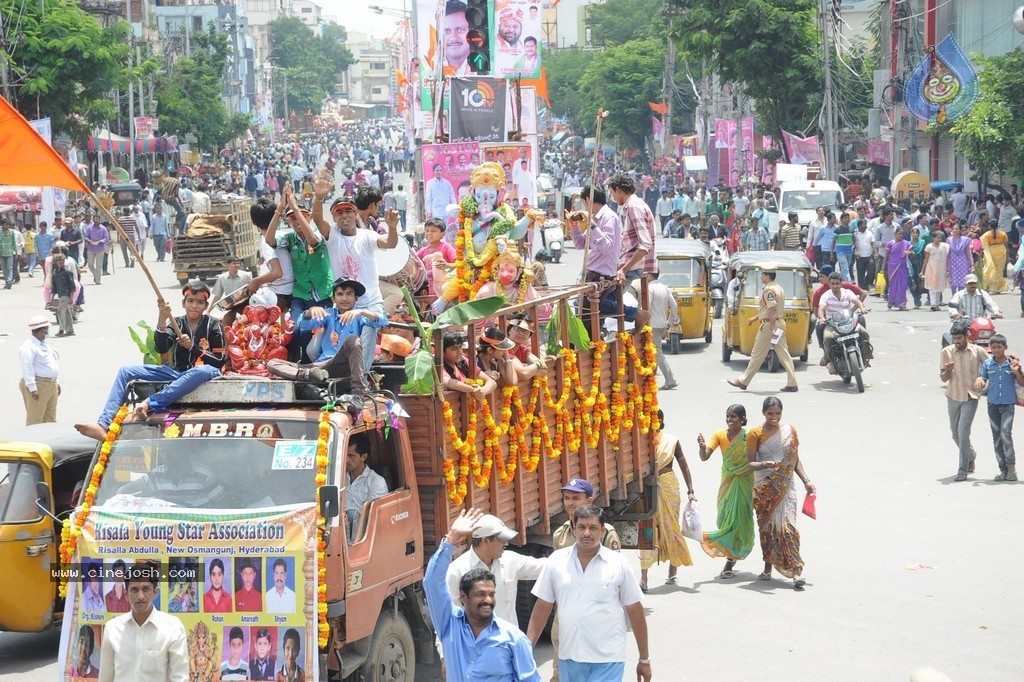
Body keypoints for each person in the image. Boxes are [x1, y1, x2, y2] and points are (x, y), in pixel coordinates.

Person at [75, 282, 225, 441]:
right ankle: (103, 425)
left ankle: (150, 402)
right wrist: (162, 317)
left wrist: (193, 347)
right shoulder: (177, 323)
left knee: (201, 371)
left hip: (206, 374)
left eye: (200, 302)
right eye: (191, 301)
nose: (194, 305)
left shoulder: (213, 325)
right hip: (178, 374)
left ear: (205, 305)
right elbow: (161, 347)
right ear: (183, 303)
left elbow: (219, 361)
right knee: (126, 371)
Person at [528, 504, 652, 682]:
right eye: (581, 527)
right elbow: (542, 607)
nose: (587, 533)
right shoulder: (556, 561)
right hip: (569, 657)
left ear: (602, 531)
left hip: (608, 659)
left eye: (593, 528)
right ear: (573, 529)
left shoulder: (618, 564)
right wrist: (526, 649)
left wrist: (644, 659)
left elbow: (635, 610)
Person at [425, 508, 542, 682]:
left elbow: (546, 567)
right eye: (480, 594)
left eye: (491, 594)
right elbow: (433, 585)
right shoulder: (454, 631)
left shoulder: (513, 639)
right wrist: (452, 538)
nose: (488, 600)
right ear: (464, 597)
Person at [313, 173, 400, 370]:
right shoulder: (333, 235)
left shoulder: (367, 236)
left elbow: (391, 243)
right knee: (317, 346)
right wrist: (319, 198)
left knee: (368, 331)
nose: (344, 216)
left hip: (370, 303)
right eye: (339, 213)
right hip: (344, 304)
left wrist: (392, 228)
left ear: (354, 214)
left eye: (348, 212)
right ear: (335, 217)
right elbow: (318, 220)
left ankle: (361, 378)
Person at [747, 397, 815, 588]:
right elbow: (750, 463)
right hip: (764, 488)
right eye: (770, 414)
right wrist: (765, 464)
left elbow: (794, 459)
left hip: (786, 486)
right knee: (768, 529)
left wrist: (806, 481)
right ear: (764, 414)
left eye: (777, 413)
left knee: (788, 528)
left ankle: (796, 571)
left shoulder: (790, 431)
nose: (774, 417)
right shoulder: (755, 433)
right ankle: (768, 565)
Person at [98, 563, 188, 682]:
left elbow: (180, 678)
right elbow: (105, 678)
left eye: (146, 589)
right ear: (126, 594)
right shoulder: (113, 629)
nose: (140, 596)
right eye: (134, 590)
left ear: (155, 592)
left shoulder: (173, 628)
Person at [698, 404, 755, 579]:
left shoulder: (749, 436)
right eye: (728, 416)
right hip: (728, 481)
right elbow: (705, 456)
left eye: (733, 417)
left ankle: (730, 558)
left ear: (742, 419)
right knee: (724, 518)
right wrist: (701, 447)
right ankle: (730, 551)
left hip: (745, 482)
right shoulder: (719, 435)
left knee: (739, 519)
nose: (730, 420)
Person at [638, 411, 694, 590]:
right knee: (646, 531)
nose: (655, 422)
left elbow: (683, 465)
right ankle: (644, 578)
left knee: (671, 527)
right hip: (647, 488)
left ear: (662, 421)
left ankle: (673, 569)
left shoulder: (672, 441)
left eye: (658, 419)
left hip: (669, 486)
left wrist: (690, 490)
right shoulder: (640, 440)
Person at [728, 268, 798, 392]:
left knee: (757, 354)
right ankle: (792, 382)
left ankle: (743, 380)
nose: (761, 277)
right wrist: (756, 318)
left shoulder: (769, 290)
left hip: (769, 326)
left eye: (762, 274)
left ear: (767, 276)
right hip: (779, 323)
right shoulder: (778, 288)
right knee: (784, 354)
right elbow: (769, 310)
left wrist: (771, 329)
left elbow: (772, 310)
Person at [975, 334, 1023, 482]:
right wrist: (980, 381)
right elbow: (983, 378)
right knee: (996, 438)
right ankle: (1002, 470)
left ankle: (1011, 469)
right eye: (994, 347)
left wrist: (1016, 371)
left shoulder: (1013, 364)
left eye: (999, 347)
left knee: (1005, 435)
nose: (996, 350)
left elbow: (1022, 383)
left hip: (1008, 405)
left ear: (1005, 348)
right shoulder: (988, 364)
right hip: (993, 405)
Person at [246, 198, 294, 312]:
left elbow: (277, 272)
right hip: (293, 289)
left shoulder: (266, 242)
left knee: (232, 317)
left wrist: (256, 281)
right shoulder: (284, 235)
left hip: (282, 293)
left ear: (253, 222)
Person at [818, 271, 873, 372]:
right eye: (832, 284)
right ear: (829, 284)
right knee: (828, 338)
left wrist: (862, 308)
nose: (835, 286)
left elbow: (856, 301)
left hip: (849, 322)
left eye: (837, 284)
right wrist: (821, 317)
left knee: (863, 333)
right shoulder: (825, 295)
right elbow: (821, 308)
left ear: (841, 283)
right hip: (832, 325)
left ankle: (865, 357)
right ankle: (831, 362)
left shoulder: (847, 292)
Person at [608, 172, 655, 285]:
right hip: (630, 266)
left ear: (619, 190)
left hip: (632, 268)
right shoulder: (633, 205)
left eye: (612, 192)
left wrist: (624, 269)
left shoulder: (634, 207)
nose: (612, 197)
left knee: (596, 299)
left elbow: (646, 244)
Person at [344, 434, 388, 542]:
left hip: (363, 539)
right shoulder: (340, 478)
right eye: (345, 455)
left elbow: (376, 519)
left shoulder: (376, 482)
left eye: (352, 456)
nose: (347, 460)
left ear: (363, 457)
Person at [19, 315, 60, 425]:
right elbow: (27, 368)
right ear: (42, 331)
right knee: (35, 420)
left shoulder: (44, 344)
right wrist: (33, 388)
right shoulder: (28, 347)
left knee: (50, 419)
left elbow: (50, 364)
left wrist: (56, 382)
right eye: (47, 329)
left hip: (51, 385)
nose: (48, 332)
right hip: (39, 385)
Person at [441, 332, 499, 396]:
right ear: (442, 351)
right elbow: (448, 382)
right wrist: (472, 390)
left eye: (460, 347)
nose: (459, 352)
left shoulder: (464, 360)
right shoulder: (439, 365)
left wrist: (482, 391)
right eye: (453, 349)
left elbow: (492, 383)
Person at [647, 271, 678, 390]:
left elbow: (647, 307)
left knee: (657, 352)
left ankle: (670, 379)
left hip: (653, 325)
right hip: (662, 324)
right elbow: (674, 306)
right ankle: (650, 379)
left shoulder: (650, 288)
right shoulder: (664, 288)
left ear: (649, 276)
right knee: (653, 352)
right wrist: (669, 322)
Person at [417, 218, 457, 298]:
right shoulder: (422, 251)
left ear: (442, 234)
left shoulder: (446, 247)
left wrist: (447, 265)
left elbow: (458, 264)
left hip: (446, 287)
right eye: (427, 231)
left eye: (433, 231)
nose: (429, 233)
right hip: (431, 291)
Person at [49, 251, 80, 337]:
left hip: (66, 294)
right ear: (56, 261)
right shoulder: (55, 272)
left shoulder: (67, 272)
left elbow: (72, 285)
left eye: (62, 260)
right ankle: (70, 330)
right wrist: (52, 297)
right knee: (66, 312)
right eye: (59, 260)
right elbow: (54, 286)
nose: (60, 262)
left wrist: (71, 297)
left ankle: (61, 330)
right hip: (60, 294)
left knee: (60, 311)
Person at [883, 227, 912, 310]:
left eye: (902, 234)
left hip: (902, 267)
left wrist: (908, 252)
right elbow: (886, 256)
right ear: (895, 234)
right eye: (899, 234)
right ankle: (891, 301)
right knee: (893, 286)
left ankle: (902, 304)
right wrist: (882, 267)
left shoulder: (906, 243)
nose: (901, 235)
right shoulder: (890, 244)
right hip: (892, 267)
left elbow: (912, 252)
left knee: (902, 285)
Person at [981, 221, 1008, 293]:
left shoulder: (986, 235)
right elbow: (1006, 245)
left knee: (989, 269)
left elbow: (983, 245)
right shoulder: (1003, 234)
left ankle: (987, 286)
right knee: (999, 271)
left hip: (991, 253)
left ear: (990, 226)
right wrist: (1008, 256)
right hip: (1001, 252)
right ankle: (997, 288)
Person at [0, 220, 19, 289]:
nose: (8, 226)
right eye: (6, 225)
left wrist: (16, 253)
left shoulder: (11, 232)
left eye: (8, 225)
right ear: (2, 225)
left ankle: (9, 281)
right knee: (4, 268)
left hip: (10, 252)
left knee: (9, 268)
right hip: (1, 253)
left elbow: (14, 242)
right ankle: (7, 281)